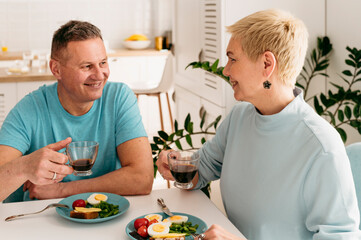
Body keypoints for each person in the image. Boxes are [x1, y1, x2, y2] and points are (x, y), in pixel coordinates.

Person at [157, 9, 361, 240]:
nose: (226, 70)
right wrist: (178, 165)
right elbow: (202, 168)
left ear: (266, 64)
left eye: (233, 59)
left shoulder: (321, 147)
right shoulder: (240, 117)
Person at [0, 20, 154, 202]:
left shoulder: (118, 97)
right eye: (87, 66)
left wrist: (61, 190)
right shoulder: (29, 109)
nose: (99, 75)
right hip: (41, 219)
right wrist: (24, 167)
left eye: (103, 62)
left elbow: (142, 179)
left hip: (105, 217)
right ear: (56, 69)